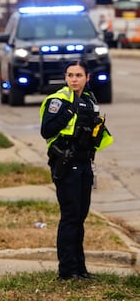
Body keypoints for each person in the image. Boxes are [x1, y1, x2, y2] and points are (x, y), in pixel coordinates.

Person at [39, 60, 113, 281]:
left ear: (87, 78)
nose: (74, 79)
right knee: (70, 217)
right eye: (70, 75)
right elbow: (47, 130)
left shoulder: (90, 100)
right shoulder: (59, 101)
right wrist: (70, 110)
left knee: (80, 217)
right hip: (66, 164)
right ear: (65, 77)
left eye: (78, 75)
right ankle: (66, 271)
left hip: (83, 163)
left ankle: (80, 269)